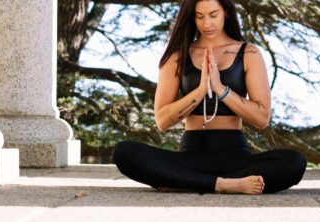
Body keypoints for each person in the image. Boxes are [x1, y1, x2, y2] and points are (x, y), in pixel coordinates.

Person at [112, 0, 307, 195]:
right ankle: (223, 185)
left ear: (226, 13)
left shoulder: (248, 53)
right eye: (199, 16)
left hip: (235, 157)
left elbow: (262, 118)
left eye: (213, 15)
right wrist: (201, 90)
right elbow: (162, 121)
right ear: (191, 17)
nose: (207, 24)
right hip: (191, 155)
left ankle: (186, 182)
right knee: (124, 152)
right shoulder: (177, 56)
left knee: (294, 162)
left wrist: (220, 89)